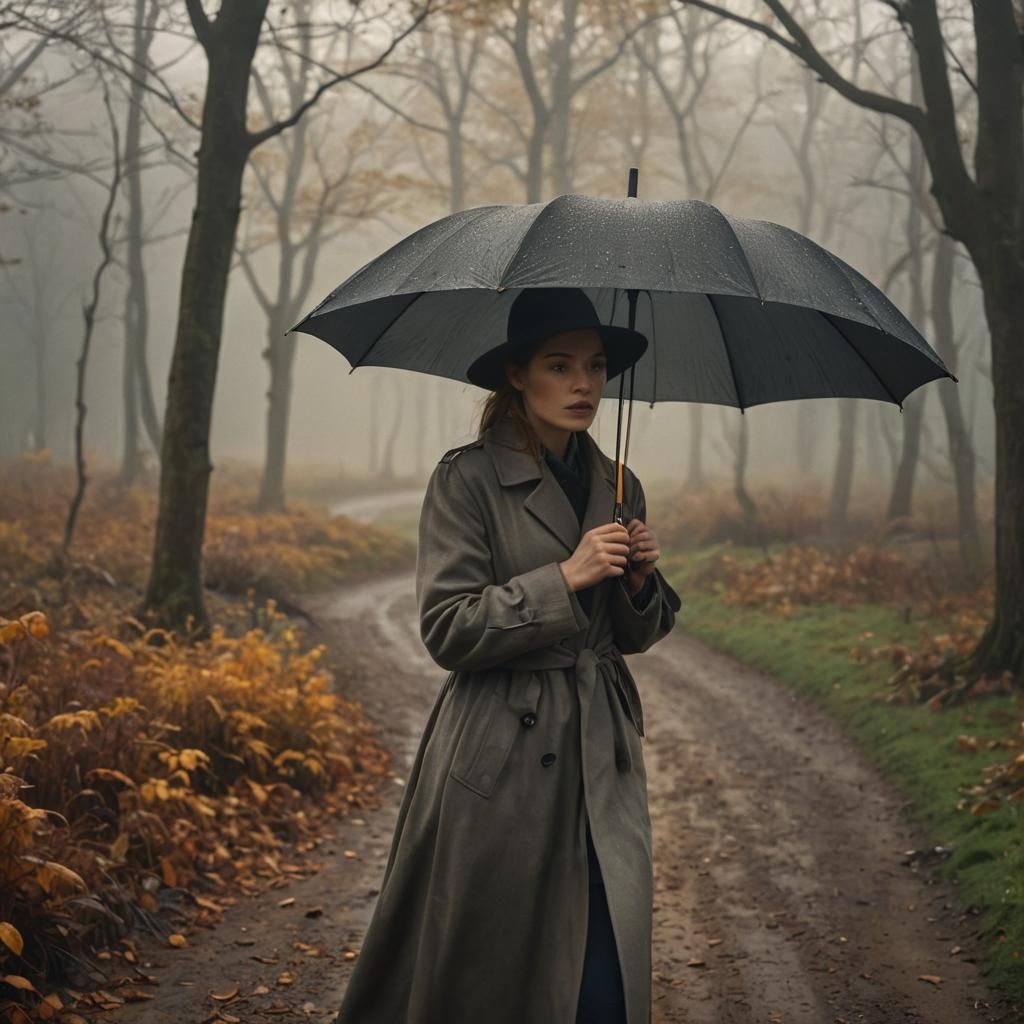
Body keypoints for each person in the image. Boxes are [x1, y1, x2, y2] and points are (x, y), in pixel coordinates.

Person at [336, 287, 682, 1024]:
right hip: (502, 758)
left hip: (602, 750)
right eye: (560, 365)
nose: (585, 384)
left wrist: (641, 582)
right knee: (493, 973)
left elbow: (631, 635)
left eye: (595, 366)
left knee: (602, 969)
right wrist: (563, 578)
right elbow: (448, 627)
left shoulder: (620, 485)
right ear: (517, 374)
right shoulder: (465, 481)